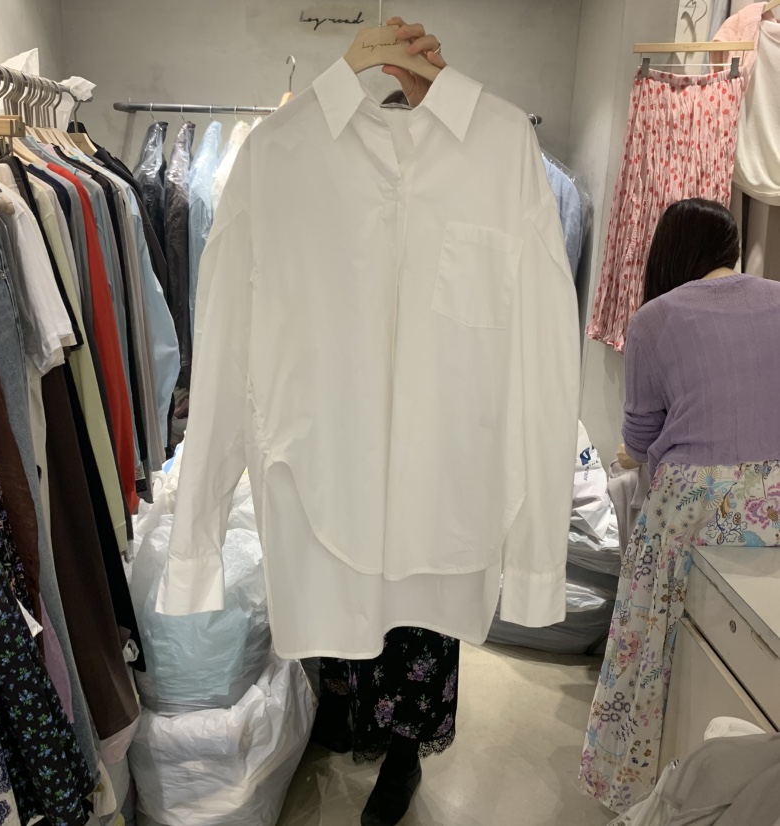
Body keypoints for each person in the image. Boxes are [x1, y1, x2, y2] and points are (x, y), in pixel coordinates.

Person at [580, 198, 780, 813]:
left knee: (645, 647)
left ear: (668, 254)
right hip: (773, 501)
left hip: (693, 508)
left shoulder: (655, 319)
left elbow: (638, 441)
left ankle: (636, 787)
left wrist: (637, 450)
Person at [309, 19, 453, 826]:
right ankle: (345, 707)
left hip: (431, 451)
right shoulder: (334, 207)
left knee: (420, 608)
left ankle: (403, 753)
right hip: (348, 439)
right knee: (344, 576)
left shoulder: (462, 202)